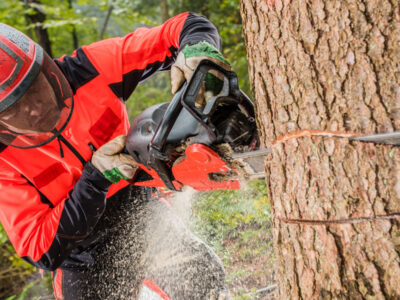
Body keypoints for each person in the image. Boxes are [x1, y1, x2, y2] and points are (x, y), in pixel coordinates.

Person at [0, 12, 232, 299]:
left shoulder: (90, 68)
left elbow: (184, 26)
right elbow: (41, 248)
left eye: (33, 89)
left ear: (45, 70)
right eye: (12, 107)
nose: (32, 109)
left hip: (142, 212)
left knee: (205, 281)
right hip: (83, 255)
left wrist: (197, 51)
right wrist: (95, 180)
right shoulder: (4, 161)